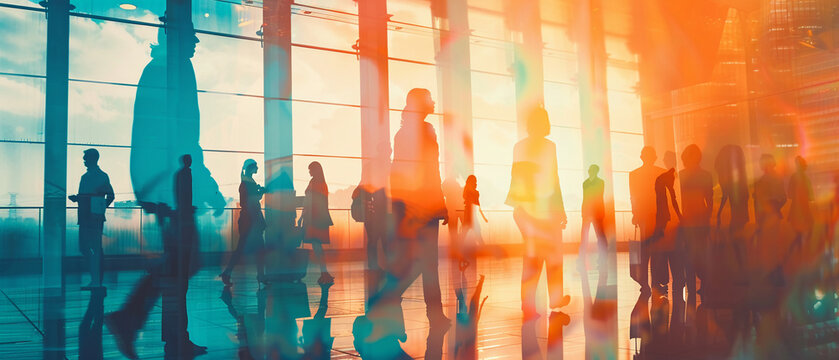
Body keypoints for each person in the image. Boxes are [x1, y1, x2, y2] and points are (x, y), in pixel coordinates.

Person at [378, 88, 449, 327]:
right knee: (429, 262)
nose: (433, 101)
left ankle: (398, 299)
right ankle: (424, 310)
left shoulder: (401, 133)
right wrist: (440, 204)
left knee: (416, 259)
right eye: (429, 98)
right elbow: (431, 169)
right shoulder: (426, 130)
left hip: (405, 206)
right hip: (425, 205)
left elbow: (396, 172)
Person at [506, 107, 570, 319]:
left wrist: (519, 206)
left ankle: (529, 303)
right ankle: (555, 299)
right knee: (553, 255)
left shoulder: (519, 146)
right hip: (545, 208)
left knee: (532, 256)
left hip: (526, 208)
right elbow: (554, 179)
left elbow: (517, 177)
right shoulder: (550, 147)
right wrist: (560, 210)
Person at [69, 148, 115, 289]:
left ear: (92, 159)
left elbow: (109, 196)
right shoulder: (97, 176)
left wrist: (99, 207)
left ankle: (96, 279)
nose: (84, 160)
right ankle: (96, 279)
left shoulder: (96, 176)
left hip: (89, 218)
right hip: (91, 217)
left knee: (89, 248)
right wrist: (98, 207)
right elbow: (107, 196)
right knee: (90, 248)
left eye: (85, 157)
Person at [220, 159, 267, 286]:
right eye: (255, 166)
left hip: (247, 220)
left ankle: (228, 273)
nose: (257, 168)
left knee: (244, 249)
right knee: (257, 249)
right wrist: (261, 193)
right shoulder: (248, 183)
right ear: (251, 168)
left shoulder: (246, 183)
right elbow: (253, 200)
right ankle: (260, 276)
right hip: (252, 219)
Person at [629, 146, 666, 295]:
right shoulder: (661, 172)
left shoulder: (634, 174)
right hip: (658, 216)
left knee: (643, 252)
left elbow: (634, 196)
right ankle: (656, 283)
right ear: (655, 157)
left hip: (643, 216)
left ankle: (644, 283)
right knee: (658, 250)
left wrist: (635, 214)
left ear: (641, 157)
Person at [678, 144, 713, 298]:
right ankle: (704, 284)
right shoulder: (706, 175)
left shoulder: (681, 175)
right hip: (700, 218)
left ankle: (691, 286)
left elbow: (678, 199)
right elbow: (709, 199)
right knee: (701, 254)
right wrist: (708, 216)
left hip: (687, 219)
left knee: (688, 254)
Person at [650, 164, 683, 297]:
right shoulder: (664, 184)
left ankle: (659, 282)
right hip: (664, 222)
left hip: (664, 221)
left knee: (661, 252)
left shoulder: (662, 183)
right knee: (666, 251)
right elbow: (672, 202)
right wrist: (679, 216)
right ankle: (661, 282)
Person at [300, 161, 335, 285]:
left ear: (315, 170)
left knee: (316, 246)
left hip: (313, 218)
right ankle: (324, 272)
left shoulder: (314, 183)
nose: (309, 172)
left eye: (310, 169)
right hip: (320, 218)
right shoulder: (323, 184)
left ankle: (324, 273)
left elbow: (309, 201)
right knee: (317, 246)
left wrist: (302, 216)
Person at [579, 164, 607, 277]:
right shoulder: (585, 183)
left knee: (600, 236)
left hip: (597, 212)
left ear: (595, 171)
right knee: (584, 236)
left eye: (591, 170)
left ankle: (602, 259)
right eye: (589, 170)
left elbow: (597, 197)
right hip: (587, 213)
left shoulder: (600, 182)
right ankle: (582, 258)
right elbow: (585, 198)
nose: (590, 171)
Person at [753, 154, 787, 230]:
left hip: (769, 218)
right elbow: (783, 198)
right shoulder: (761, 180)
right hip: (767, 218)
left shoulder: (774, 179)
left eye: (762, 163)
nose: (760, 165)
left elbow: (783, 198)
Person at [787, 156, 813, 251]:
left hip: (796, 207)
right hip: (804, 206)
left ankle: (799, 243)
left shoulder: (793, 177)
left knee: (796, 226)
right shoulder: (806, 179)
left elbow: (789, 194)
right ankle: (803, 243)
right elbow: (811, 196)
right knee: (808, 224)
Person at [462, 175, 488, 251]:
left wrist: (484, 218)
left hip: (470, 214)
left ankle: (459, 249)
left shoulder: (468, 191)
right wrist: (484, 218)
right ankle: (483, 249)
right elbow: (478, 205)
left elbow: (477, 205)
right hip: (471, 214)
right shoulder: (474, 193)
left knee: (467, 232)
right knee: (476, 233)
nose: (476, 182)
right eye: (475, 181)